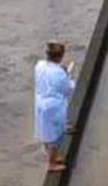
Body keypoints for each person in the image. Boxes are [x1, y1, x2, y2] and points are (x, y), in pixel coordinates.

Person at [34, 41, 75, 172]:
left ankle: (51, 156)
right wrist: (68, 75)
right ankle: (52, 162)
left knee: (45, 131)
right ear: (60, 56)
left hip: (41, 102)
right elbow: (68, 88)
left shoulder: (39, 65)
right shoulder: (60, 73)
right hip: (54, 107)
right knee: (55, 137)